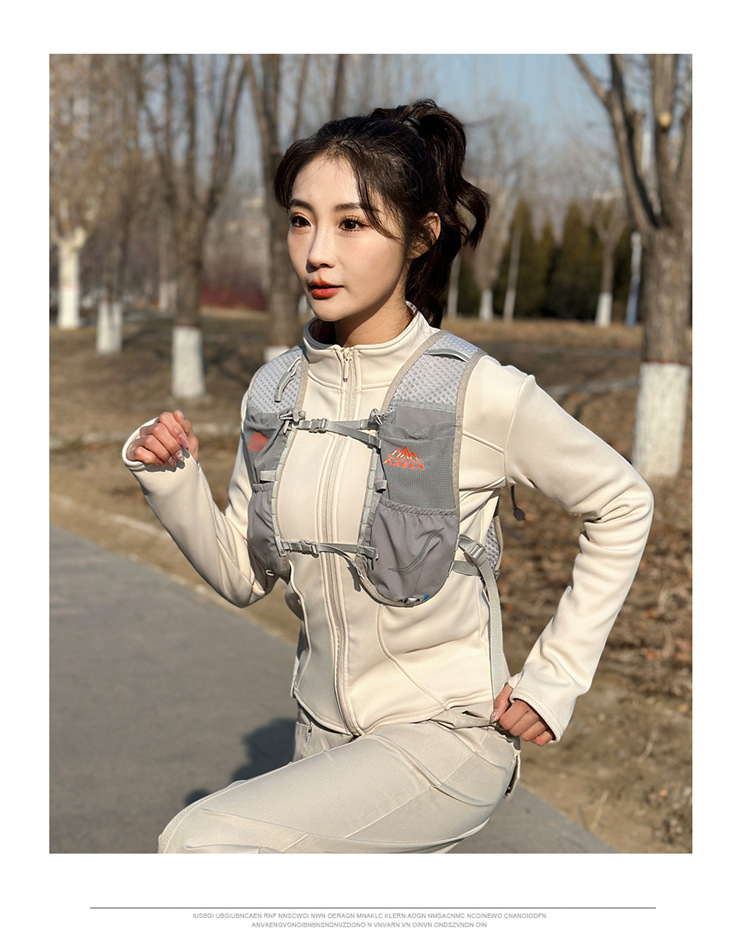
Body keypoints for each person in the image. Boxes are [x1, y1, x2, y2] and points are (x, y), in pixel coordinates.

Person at [123, 100, 653, 854]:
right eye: (301, 220)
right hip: (323, 743)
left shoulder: (473, 390)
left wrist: (554, 679)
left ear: (422, 235)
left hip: (444, 739)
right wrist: (173, 481)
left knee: (201, 843)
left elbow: (623, 502)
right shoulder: (275, 391)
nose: (317, 252)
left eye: (352, 223)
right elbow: (243, 575)